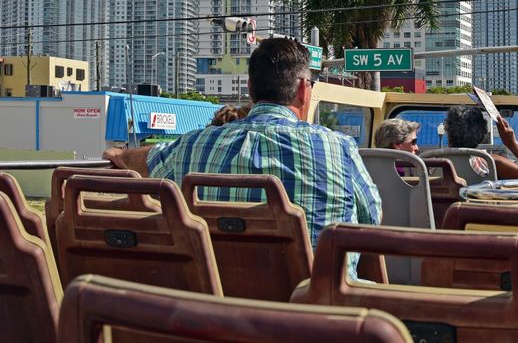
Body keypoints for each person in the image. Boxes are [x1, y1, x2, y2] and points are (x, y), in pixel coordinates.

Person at [103, 38, 381, 278]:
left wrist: (120, 154)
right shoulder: (337, 148)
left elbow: (149, 160)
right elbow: (371, 220)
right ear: (302, 89)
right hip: (318, 308)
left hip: (220, 308)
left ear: (250, 88)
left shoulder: (193, 145)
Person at [444, 105, 518, 179]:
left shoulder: (437, 163)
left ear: (448, 133)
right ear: (482, 134)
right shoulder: (490, 162)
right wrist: (512, 144)